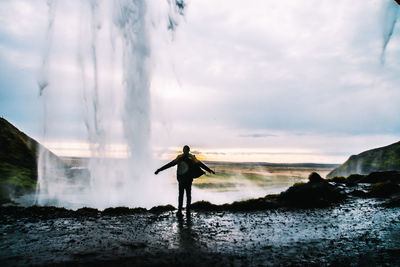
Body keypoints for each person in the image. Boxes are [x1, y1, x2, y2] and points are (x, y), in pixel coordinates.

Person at [155, 145, 215, 214]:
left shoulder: (190, 157)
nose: (185, 151)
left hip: (187, 179)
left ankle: (185, 210)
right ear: (184, 150)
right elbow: (170, 164)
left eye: (186, 150)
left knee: (186, 195)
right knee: (183, 194)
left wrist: (209, 170)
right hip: (182, 179)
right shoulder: (182, 157)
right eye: (185, 150)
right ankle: (181, 210)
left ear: (187, 150)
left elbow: (200, 164)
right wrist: (159, 170)